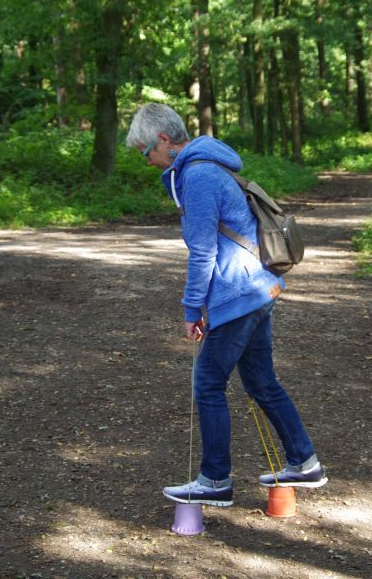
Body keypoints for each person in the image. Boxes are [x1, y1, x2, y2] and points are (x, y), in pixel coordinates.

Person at [126, 103, 327, 506]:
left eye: (146, 151)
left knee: (208, 384)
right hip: (258, 287)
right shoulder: (207, 167)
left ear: (164, 140)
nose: (146, 160)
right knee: (261, 382)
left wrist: (191, 309)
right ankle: (304, 463)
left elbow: (203, 252)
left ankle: (215, 479)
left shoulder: (198, 175)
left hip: (238, 292)